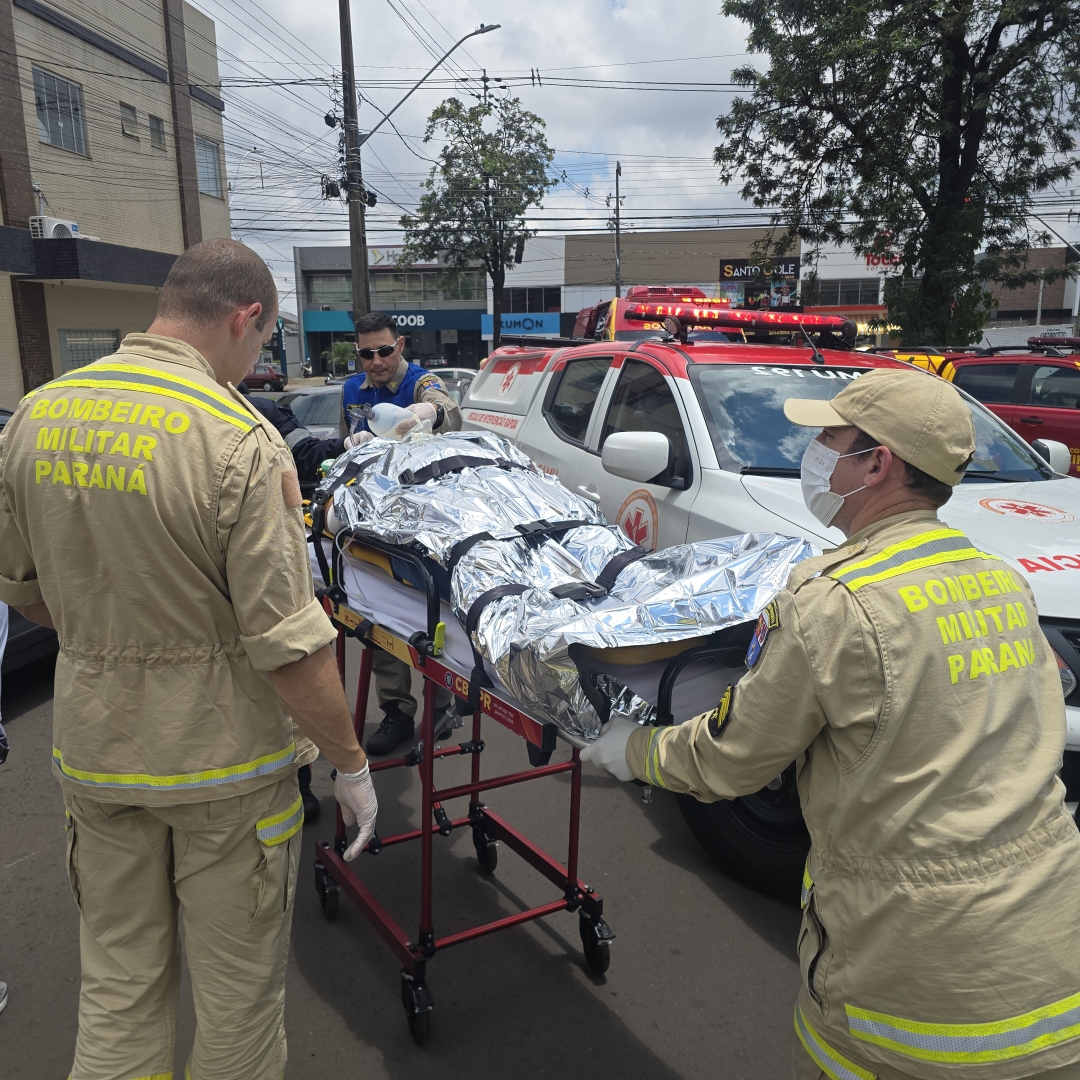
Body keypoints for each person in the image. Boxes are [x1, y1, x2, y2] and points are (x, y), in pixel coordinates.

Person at [583, 368, 1080, 1080]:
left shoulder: (836, 602)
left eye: (829, 439)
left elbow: (734, 758)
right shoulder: (1000, 578)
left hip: (917, 992)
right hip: (1053, 958)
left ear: (877, 462)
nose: (814, 452)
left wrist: (634, 751)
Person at [0, 238, 379, 1077]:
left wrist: (111, 624)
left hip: (96, 760)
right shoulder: (238, 440)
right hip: (225, 774)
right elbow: (288, 645)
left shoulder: (37, 415)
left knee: (118, 995)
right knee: (237, 1012)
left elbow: (23, 593)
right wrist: (351, 765)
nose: (255, 363)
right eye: (263, 342)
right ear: (246, 317)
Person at [340, 311, 462, 755]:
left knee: (429, 612)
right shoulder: (353, 390)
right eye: (366, 354)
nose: (376, 361)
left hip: (422, 520)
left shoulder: (420, 383)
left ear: (401, 345)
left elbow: (448, 409)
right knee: (376, 612)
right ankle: (396, 709)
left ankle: (444, 699)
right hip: (373, 517)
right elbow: (347, 445)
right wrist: (350, 445)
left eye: (384, 351)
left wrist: (430, 411)